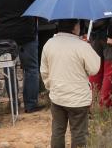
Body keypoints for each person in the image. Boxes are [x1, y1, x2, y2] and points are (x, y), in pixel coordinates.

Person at [0, 0, 43, 113]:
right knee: (31, 69)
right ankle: (30, 104)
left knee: (10, 69)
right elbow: (40, 3)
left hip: (5, 34)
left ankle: (14, 103)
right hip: (27, 33)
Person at [41, 19, 101, 148]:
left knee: (57, 131)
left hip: (57, 96)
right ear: (74, 28)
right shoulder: (82, 46)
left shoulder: (49, 44)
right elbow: (94, 69)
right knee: (79, 134)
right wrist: (89, 48)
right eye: (78, 24)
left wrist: (51, 87)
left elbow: (44, 71)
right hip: (78, 99)